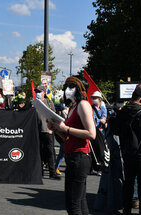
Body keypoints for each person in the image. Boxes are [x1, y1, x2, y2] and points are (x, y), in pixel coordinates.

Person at [48, 76, 96, 215]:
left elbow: (91, 133)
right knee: (80, 202)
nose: (67, 90)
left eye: (71, 87)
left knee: (73, 205)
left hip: (80, 157)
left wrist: (66, 128)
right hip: (73, 157)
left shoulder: (83, 105)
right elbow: (68, 137)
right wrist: (57, 128)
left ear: (79, 89)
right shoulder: (73, 107)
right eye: (66, 87)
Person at [35, 85, 60, 180]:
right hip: (38, 131)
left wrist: (52, 129)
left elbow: (53, 116)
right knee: (39, 152)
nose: (37, 93)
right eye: (36, 91)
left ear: (44, 92)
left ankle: (52, 172)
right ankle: (39, 172)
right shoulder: (34, 103)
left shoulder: (49, 103)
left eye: (39, 91)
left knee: (50, 152)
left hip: (48, 131)